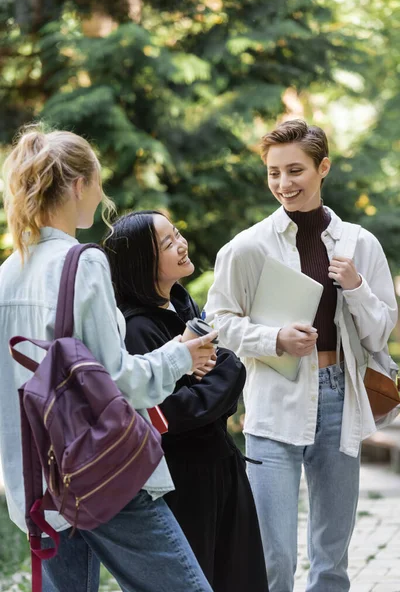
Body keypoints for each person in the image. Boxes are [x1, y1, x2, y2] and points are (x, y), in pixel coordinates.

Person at [0, 124, 218, 592]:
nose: (101, 196)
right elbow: (119, 380)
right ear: (78, 185)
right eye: (97, 183)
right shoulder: (83, 262)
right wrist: (180, 355)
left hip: (38, 486)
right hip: (103, 474)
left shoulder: (7, 274)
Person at [204, 119, 398, 592]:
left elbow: (380, 333)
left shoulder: (359, 244)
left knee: (332, 557)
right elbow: (218, 323)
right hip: (274, 401)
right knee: (274, 556)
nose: (283, 184)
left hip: (340, 400)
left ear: (322, 167)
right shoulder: (247, 248)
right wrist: (274, 340)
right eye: (274, 173)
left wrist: (354, 287)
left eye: (295, 171)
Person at [104, 210, 269, 592]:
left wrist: (219, 375)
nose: (181, 244)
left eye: (177, 233)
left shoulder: (183, 308)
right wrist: (228, 369)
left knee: (241, 577)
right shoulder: (137, 329)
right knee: (201, 578)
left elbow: (214, 400)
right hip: (185, 480)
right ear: (142, 263)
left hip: (222, 466)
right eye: (167, 243)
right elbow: (168, 413)